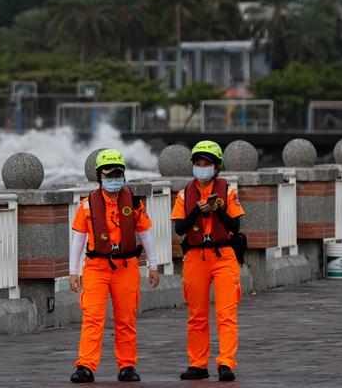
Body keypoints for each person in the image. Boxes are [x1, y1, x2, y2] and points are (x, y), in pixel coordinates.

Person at [68, 149, 162, 383]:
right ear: (100, 177)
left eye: (117, 174)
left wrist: (153, 265)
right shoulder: (87, 205)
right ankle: (85, 365)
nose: (113, 179)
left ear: (124, 175)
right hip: (96, 267)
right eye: (109, 175)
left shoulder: (135, 204)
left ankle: (127, 366)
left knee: (126, 318)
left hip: (126, 267)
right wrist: (73, 271)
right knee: (92, 317)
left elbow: (146, 234)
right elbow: (78, 238)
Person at [171, 140, 245, 382]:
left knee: (226, 313)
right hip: (195, 256)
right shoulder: (184, 195)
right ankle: (198, 364)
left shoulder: (228, 192)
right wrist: (196, 211)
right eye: (198, 163)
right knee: (197, 315)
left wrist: (217, 210)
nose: (202, 168)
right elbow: (180, 229)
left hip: (223, 255)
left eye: (207, 164)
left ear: (216, 168)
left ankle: (226, 362)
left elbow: (235, 225)